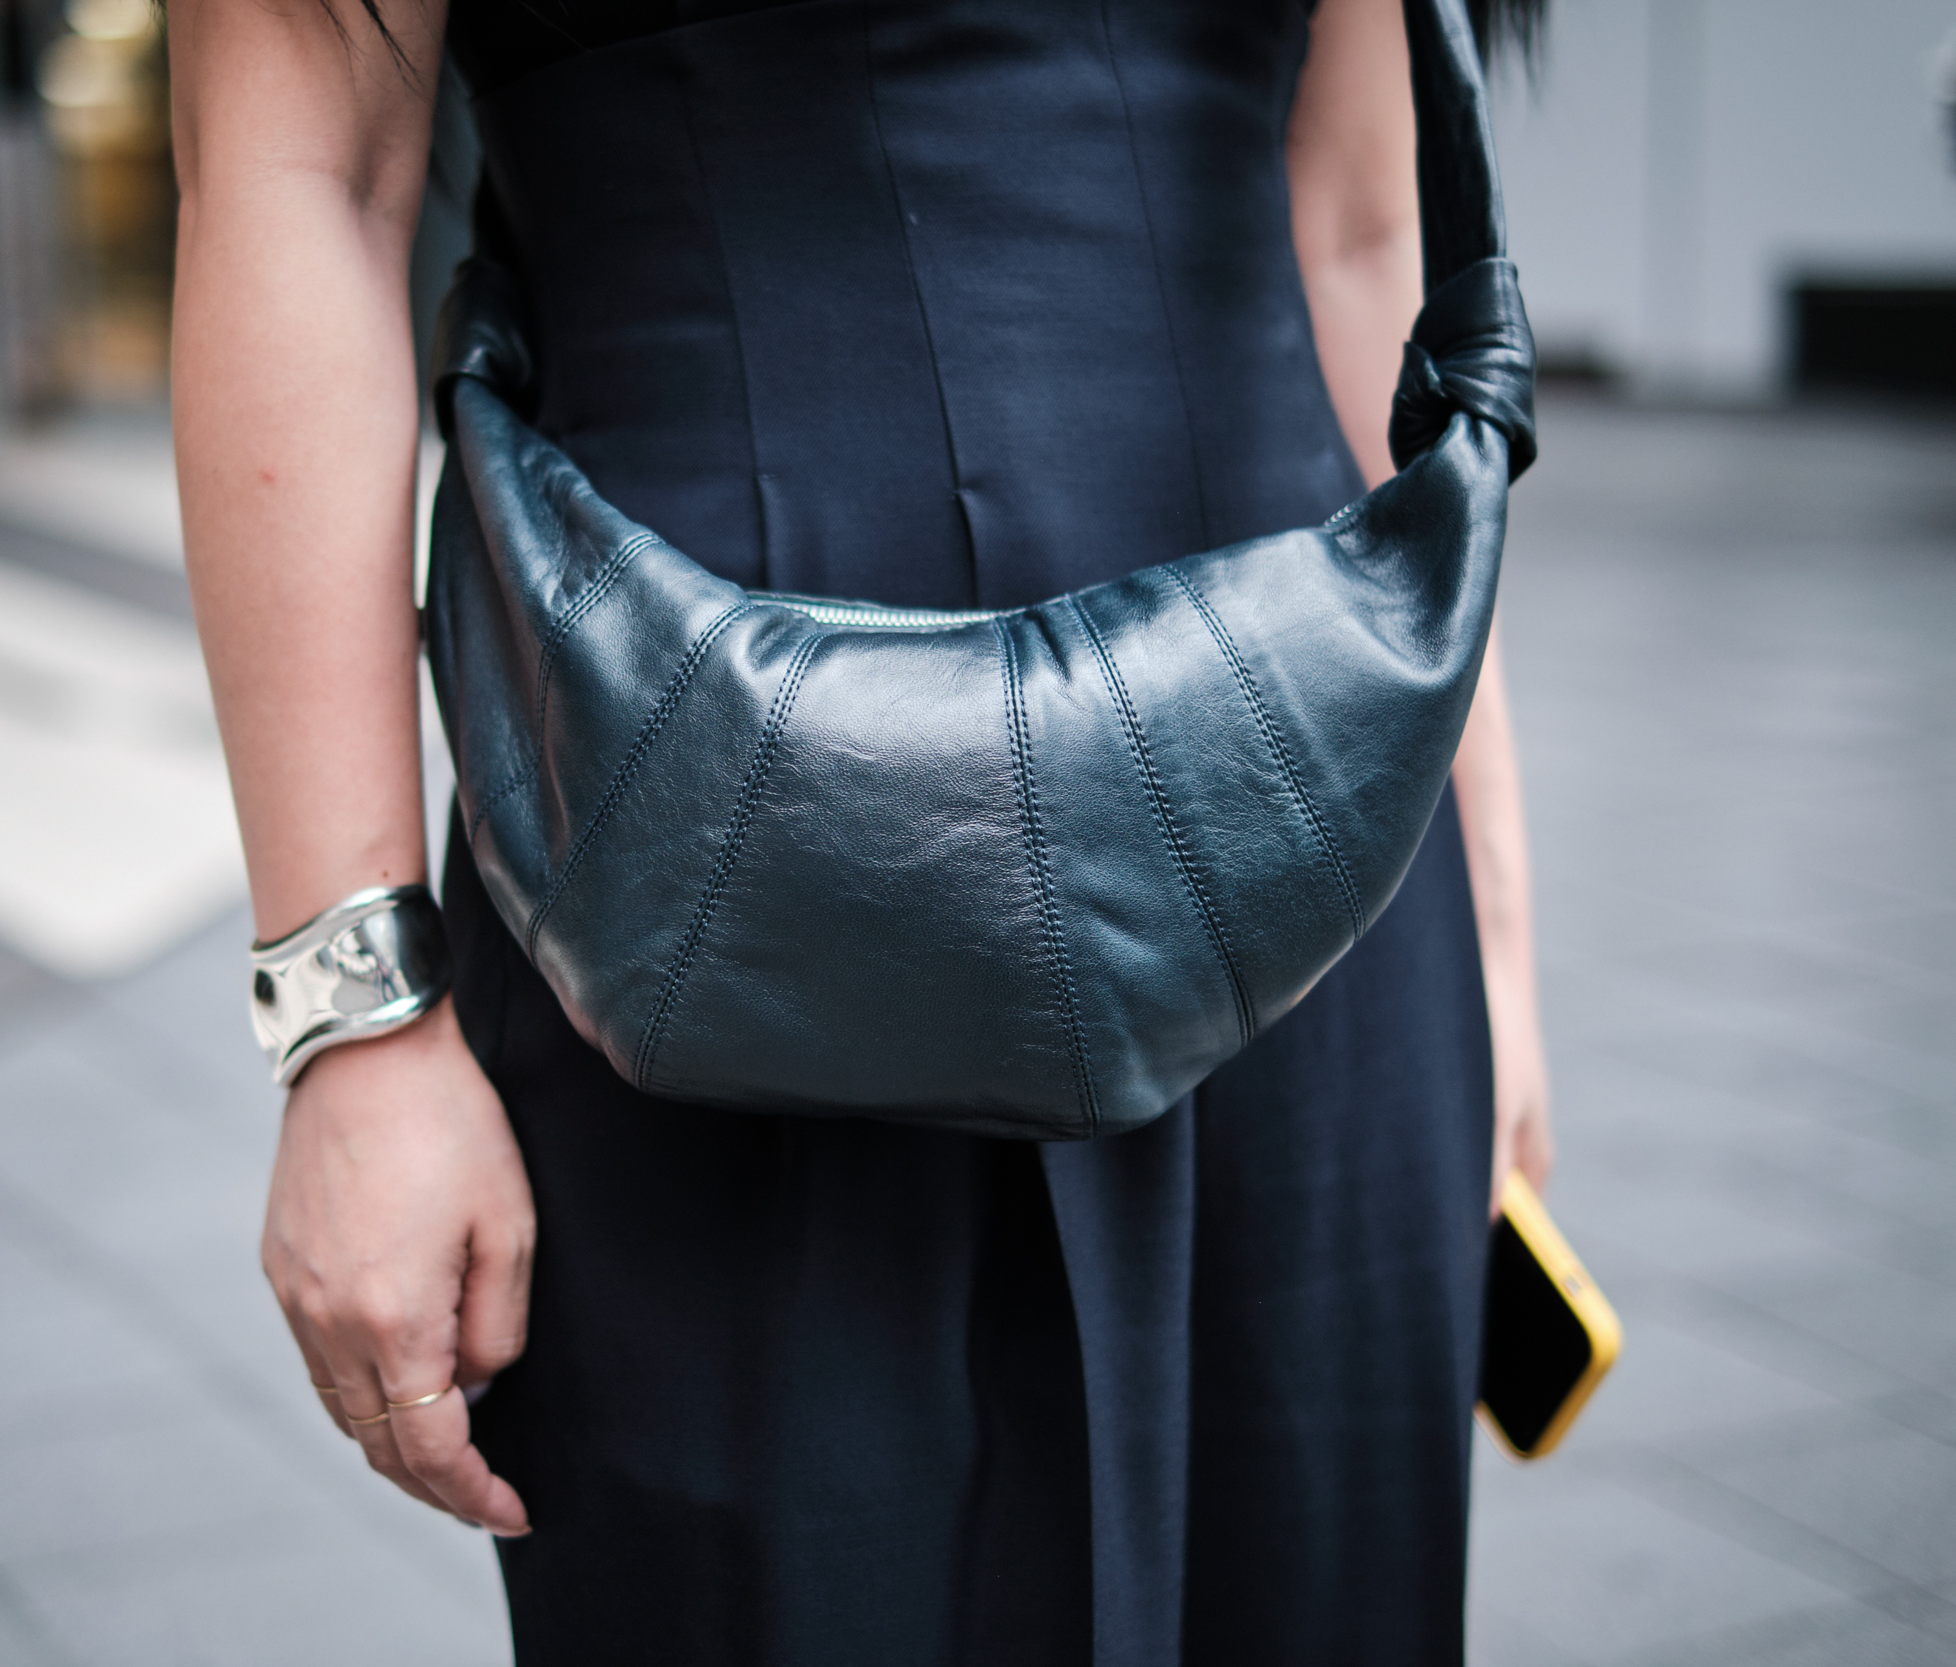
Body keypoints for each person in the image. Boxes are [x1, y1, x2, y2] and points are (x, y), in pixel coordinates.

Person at [168, 0, 1554, 1660]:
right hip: (708, 857)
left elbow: (1354, 227)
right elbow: (297, 175)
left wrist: (1491, 933)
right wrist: (357, 1026)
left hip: (1311, 842)